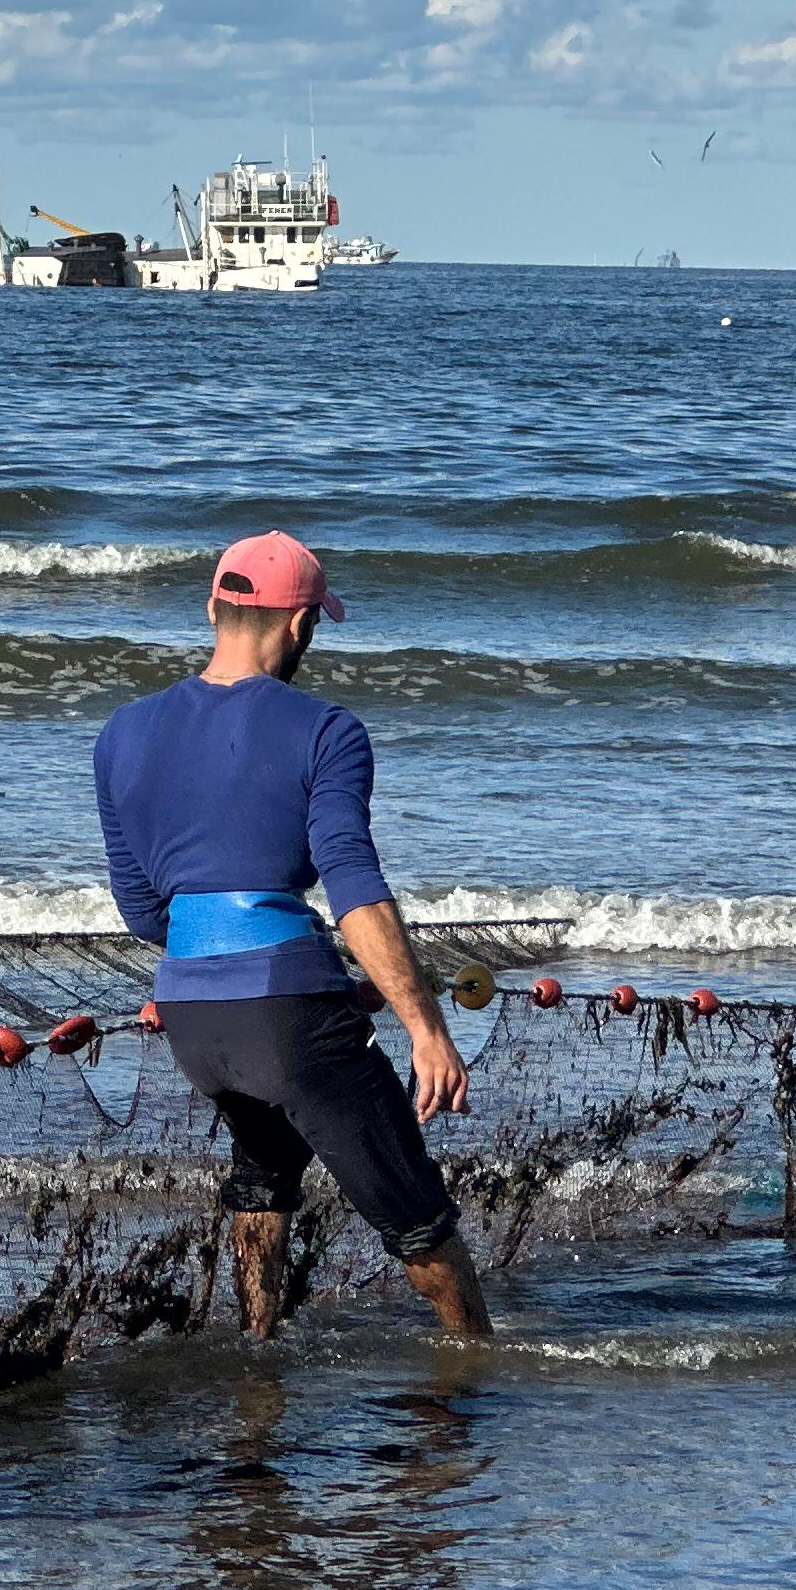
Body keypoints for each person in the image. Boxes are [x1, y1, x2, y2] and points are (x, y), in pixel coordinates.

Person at [92, 532, 493, 1342]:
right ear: (303, 624)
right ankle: (472, 1372)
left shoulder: (121, 733)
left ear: (214, 608)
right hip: (287, 1014)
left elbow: (143, 909)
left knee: (263, 1176)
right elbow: (352, 884)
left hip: (194, 1023)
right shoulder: (327, 729)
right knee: (412, 1210)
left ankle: (257, 1358)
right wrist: (426, 1029)